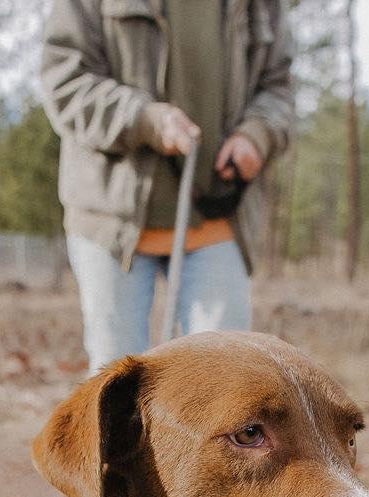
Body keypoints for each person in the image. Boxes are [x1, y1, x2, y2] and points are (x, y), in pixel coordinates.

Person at [41, 0, 293, 371]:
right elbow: (65, 80)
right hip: (112, 222)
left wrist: (257, 135)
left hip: (220, 216)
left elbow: (279, 86)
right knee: (116, 386)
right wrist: (143, 119)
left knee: (225, 381)